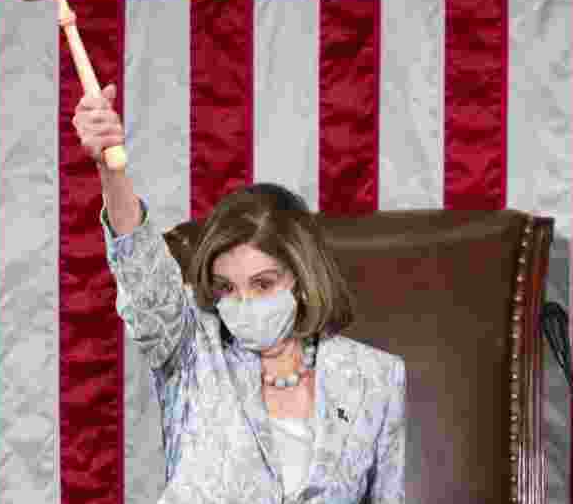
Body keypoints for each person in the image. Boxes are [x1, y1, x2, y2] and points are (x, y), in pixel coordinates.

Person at [73, 84, 407, 504]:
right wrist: (111, 169)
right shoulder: (191, 350)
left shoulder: (377, 379)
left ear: (302, 281)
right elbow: (144, 277)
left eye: (263, 284)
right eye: (227, 288)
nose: (245, 303)